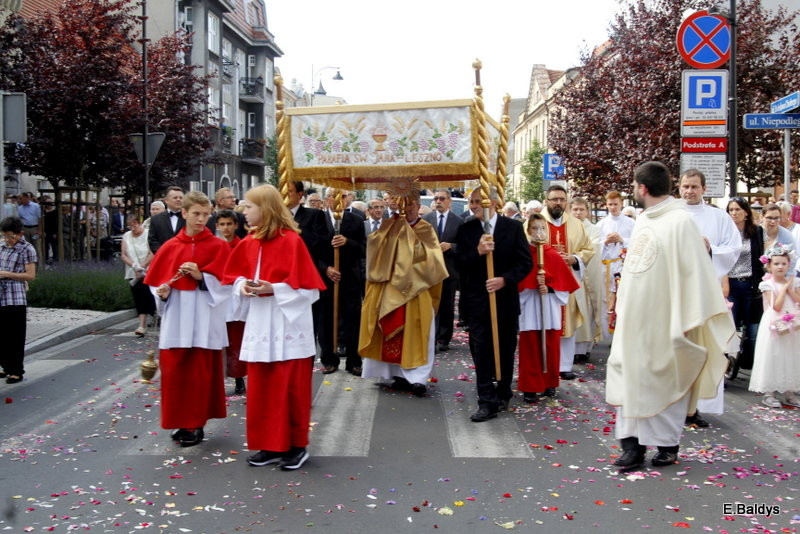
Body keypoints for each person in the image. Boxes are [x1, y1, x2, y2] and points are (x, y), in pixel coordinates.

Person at [606, 161, 734, 471]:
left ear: (642, 188)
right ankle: (631, 448)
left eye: (635, 187)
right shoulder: (642, 219)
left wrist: (688, 318)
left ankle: (666, 446)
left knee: (663, 379)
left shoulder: (680, 222)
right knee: (630, 378)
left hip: (666, 320)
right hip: (633, 322)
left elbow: (696, 274)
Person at [223, 184, 326, 470]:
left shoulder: (291, 241)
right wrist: (243, 285)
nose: (244, 211)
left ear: (266, 209)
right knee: (262, 387)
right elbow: (233, 278)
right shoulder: (249, 241)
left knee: (289, 386)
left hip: (287, 325)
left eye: (249, 206)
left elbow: (310, 290)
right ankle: (269, 445)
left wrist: (275, 289)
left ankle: (295, 446)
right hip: (259, 324)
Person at [144, 191, 231, 448]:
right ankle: (181, 422)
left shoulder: (218, 247)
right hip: (177, 317)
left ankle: (196, 424)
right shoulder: (171, 247)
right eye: (196, 214)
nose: (201, 219)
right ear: (184, 213)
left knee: (200, 373)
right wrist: (162, 291)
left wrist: (201, 277)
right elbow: (156, 282)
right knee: (176, 372)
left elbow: (227, 286)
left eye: (206, 215)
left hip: (204, 317)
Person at [359, 190, 448, 396]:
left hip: (417, 291)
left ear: (418, 206)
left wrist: (408, 254)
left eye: (411, 206)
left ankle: (417, 378)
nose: (407, 210)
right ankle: (396, 375)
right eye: (403, 206)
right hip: (390, 287)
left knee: (417, 333)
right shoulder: (389, 226)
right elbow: (376, 253)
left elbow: (433, 261)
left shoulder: (425, 229)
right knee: (390, 331)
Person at [456, 188, 532, 421]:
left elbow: (525, 263)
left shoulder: (513, 228)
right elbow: (459, 264)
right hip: (477, 302)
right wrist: (477, 252)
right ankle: (486, 400)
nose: (474, 205)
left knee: (505, 348)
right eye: (472, 201)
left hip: (504, 301)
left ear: (494, 203)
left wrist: (504, 280)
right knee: (481, 351)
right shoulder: (466, 230)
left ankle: (503, 391)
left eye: (479, 201)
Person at [518, 213, 579, 402]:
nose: (539, 233)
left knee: (550, 346)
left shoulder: (552, 255)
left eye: (542, 228)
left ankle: (549, 383)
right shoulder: (523, 255)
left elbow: (565, 287)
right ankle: (530, 386)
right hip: (529, 306)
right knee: (530, 348)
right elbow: (518, 282)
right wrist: (532, 284)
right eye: (535, 229)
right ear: (528, 231)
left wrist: (550, 287)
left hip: (549, 307)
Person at [539, 185, 594, 380]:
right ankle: (544, 364)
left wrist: (574, 258)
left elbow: (588, 249)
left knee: (567, 322)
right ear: (547, 200)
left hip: (566, 281)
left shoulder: (576, 224)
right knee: (543, 322)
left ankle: (564, 365)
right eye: (554, 199)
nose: (558, 203)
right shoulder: (535, 223)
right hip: (542, 283)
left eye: (562, 199)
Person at [318, 187, 366, 375]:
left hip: (350, 278)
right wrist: (326, 269)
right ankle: (329, 359)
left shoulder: (356, 220)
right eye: (334, 196)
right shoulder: (319, 219)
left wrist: (347, 242)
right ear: (327, 199)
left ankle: (354, 360)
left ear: (348, 199)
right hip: (326, 278)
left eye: (343, 196)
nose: (339, 200)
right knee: (326, 320)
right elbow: (312, 249)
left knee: (352, 320)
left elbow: (362, 248)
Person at [748, 243, 800, 408]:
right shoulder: (767, 284)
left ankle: (789, 391)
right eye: (776, 263)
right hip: (774, 321)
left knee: (790, 354)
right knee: (774, 354)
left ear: (788, 265)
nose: (780, 267)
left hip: (791, 321)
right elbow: (775, 306)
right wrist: (784, 288)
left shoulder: (794, 282)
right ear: (769, 266)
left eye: (784, 263)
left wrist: (790, 288)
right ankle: (769, 392)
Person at [725, 197, 765, 373]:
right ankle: (727, 364)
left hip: (750, 284)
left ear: (746, 212)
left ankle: (749, 363)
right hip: (731, 284)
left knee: (752, 329)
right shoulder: (725, 232)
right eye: (731, 210)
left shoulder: (756, 232)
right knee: (730, 326)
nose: (734, 213)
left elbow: (761, 257)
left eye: (737, 209)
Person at [680, 169, 742, 280]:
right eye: (686, 186)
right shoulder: (669, 215)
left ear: (704, 189)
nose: (689, 191)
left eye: (694, 187)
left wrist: (710, 250)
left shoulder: (720, 217)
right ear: (679, 188)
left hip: (706, 282)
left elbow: (734, 248)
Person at [423, 189, 464, 352]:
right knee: (431, 305)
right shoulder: (427, 219)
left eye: (442, 199)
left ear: (449, 201)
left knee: (446, 305)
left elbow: (465, 245)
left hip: (449, 269)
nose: (438, 201)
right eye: (436, 198)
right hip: (430, 270)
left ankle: (444, 338)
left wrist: (451, 246)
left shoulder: (459, 221)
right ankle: (430, 337)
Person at [0, 217, 37, 384]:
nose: (8, 240)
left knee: (15, 336)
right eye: (5, 236)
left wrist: (7, 274)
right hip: (1, 296)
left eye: (11, 236)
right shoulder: (2, 246)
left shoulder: (27, 249)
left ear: (20, 234)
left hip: (15, 297)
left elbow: (30, 275)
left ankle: (16, 370)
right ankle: (5, 366)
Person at [596, 191, 636, 339]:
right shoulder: (601, 224)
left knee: (621, 299)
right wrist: (605, 242)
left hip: (622, 265)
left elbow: (638, 242)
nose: (613, 207)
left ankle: (621, 335)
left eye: (616, 204)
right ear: (606, 205)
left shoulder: (630, 223)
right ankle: (607, 334)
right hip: (606, 267)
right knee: (606, 300)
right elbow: (595, 246)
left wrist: (622, 239)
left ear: (621, 204)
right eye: (610, 204)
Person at [216, 209, 247, 395]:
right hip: (216, 297)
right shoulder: (215, 246)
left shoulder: (242, 246)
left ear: (236, 225)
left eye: (229, 224)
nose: (226, 228)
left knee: (235, 338)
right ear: (217, 226)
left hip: (235, 298)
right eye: (222, 224)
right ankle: (218, 379)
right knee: (218, 339)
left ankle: (238, 377)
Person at [569, 197, 603, 362]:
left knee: (586, 311)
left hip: (584, 276)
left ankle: (583, 349)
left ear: (587, 211)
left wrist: (576, 257)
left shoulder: (594, 230)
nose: (578, 213)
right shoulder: (566, 227)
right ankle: (570, 348)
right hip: (569, 276)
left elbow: (594, 249)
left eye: (581, 209)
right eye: (575, 209)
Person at [121, 215, 155, 336]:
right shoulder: (126, 236)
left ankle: (149, 318)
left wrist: (143, 266)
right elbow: (124, 254)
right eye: (130, 226)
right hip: (133, 271)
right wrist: (135, 266)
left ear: (140, 223)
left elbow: (153, 252)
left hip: (148, 270)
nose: (133, 228)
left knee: (147, 295)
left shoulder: (148, 234)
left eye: (135, 225)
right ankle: (142, 325)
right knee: (139, 297)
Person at [148, 187, 185, 253]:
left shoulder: (188, 218)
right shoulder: (156, 219)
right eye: (175, 198)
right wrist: (164, 253)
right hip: (163, 258)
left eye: (181, 198)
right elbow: (152, 240)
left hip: (185, 258)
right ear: (166, 200)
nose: (178, 200)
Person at [761, 203, 797, 270]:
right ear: (762, 217)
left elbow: (792, 260)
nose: (773, 221)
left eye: (777, 218)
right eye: (769, 218)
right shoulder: (756, 232)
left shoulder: (786, 234)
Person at [17, 193, 41, 261]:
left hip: (34, 229)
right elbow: (19, 219)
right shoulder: (20, 208)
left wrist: (40, 230)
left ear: (26, 198)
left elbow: (40, 218)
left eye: (21, 199)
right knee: (26, 246)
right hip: (25, 229)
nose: (19, 200)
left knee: (35, 245)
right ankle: (28, 261)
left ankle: (37, 263)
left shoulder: (36, 206)